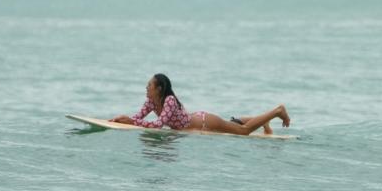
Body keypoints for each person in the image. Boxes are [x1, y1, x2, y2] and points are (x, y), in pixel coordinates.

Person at [110, 73, 290, 135]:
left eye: (149, 85)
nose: (146, 87)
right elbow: (137, 118)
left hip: (205, 122)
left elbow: (158, 125)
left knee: (244, 132)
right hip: (196, 119)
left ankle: (277, 111)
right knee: (232, 124)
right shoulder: (151, 101)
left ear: (159, 89)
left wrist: (132, 122)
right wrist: (122, 120)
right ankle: (261, 120)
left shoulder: (169, 101)